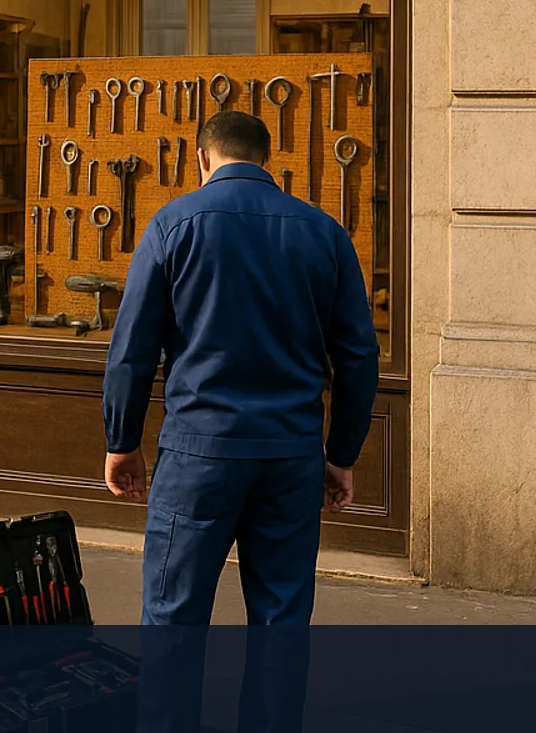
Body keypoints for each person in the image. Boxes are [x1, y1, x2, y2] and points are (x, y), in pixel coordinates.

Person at [102, 108, 379, 626]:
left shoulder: (172, 225)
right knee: (281, 622)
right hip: (290, 451)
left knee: (173, 616)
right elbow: (359, 357)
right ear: (267, 161)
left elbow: (132, 349)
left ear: (201, 158)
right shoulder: (325, 233)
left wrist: (122, 441)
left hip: (198, 450)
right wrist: (341, 454)